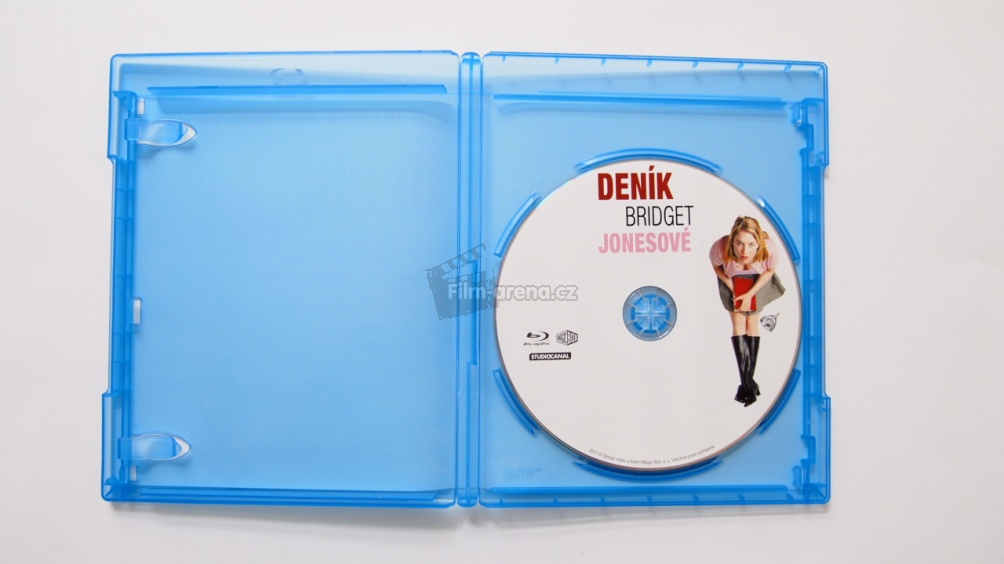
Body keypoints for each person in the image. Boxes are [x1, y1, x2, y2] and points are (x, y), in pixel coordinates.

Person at [709, 217, 786, 407]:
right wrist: (734, 290)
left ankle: (746, 384)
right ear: (732, 240)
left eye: (751, 244)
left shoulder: (770, 248)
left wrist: (750, 293)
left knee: (752, 323)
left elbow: (769, 271)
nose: (745, 251)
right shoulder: (720, 247)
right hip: (731, 279)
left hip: (758, 281)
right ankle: (748, 383)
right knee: (738, 323)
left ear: (759, 242)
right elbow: (716, 267)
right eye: (739, 243)